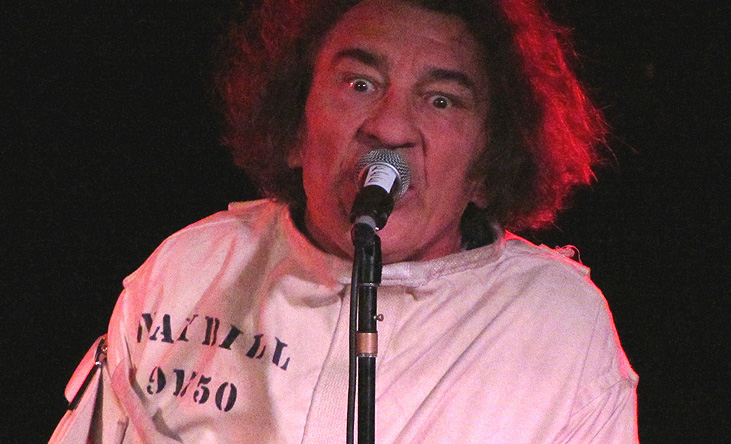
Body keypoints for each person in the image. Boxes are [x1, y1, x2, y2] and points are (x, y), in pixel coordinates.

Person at [52, 0, 639, 442]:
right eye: (360, 84)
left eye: (440, 99)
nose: (389, 127)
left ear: (488, 165)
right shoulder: (192, 269)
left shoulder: (556, 324)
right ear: (294, 126)